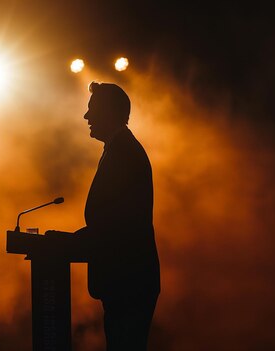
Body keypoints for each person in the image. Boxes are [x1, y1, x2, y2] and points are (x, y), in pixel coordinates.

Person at [75, 82, 160, 350]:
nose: (86, 117)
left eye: (92, 110)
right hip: (128, 279)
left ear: (109, 112)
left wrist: (67, 243)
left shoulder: (123, 152)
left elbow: (117, 222)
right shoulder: (120, 148)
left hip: (128, 280)